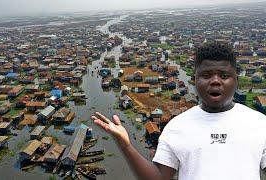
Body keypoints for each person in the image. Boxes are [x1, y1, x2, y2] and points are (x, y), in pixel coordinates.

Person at [91, 42, 266, 180]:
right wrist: (125, 144)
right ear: (193, 80)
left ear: (236, 80)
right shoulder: (177, 127)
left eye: (224, 76)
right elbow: (158, 178)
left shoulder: (259, 124)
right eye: (206, 75)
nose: (215, 81)